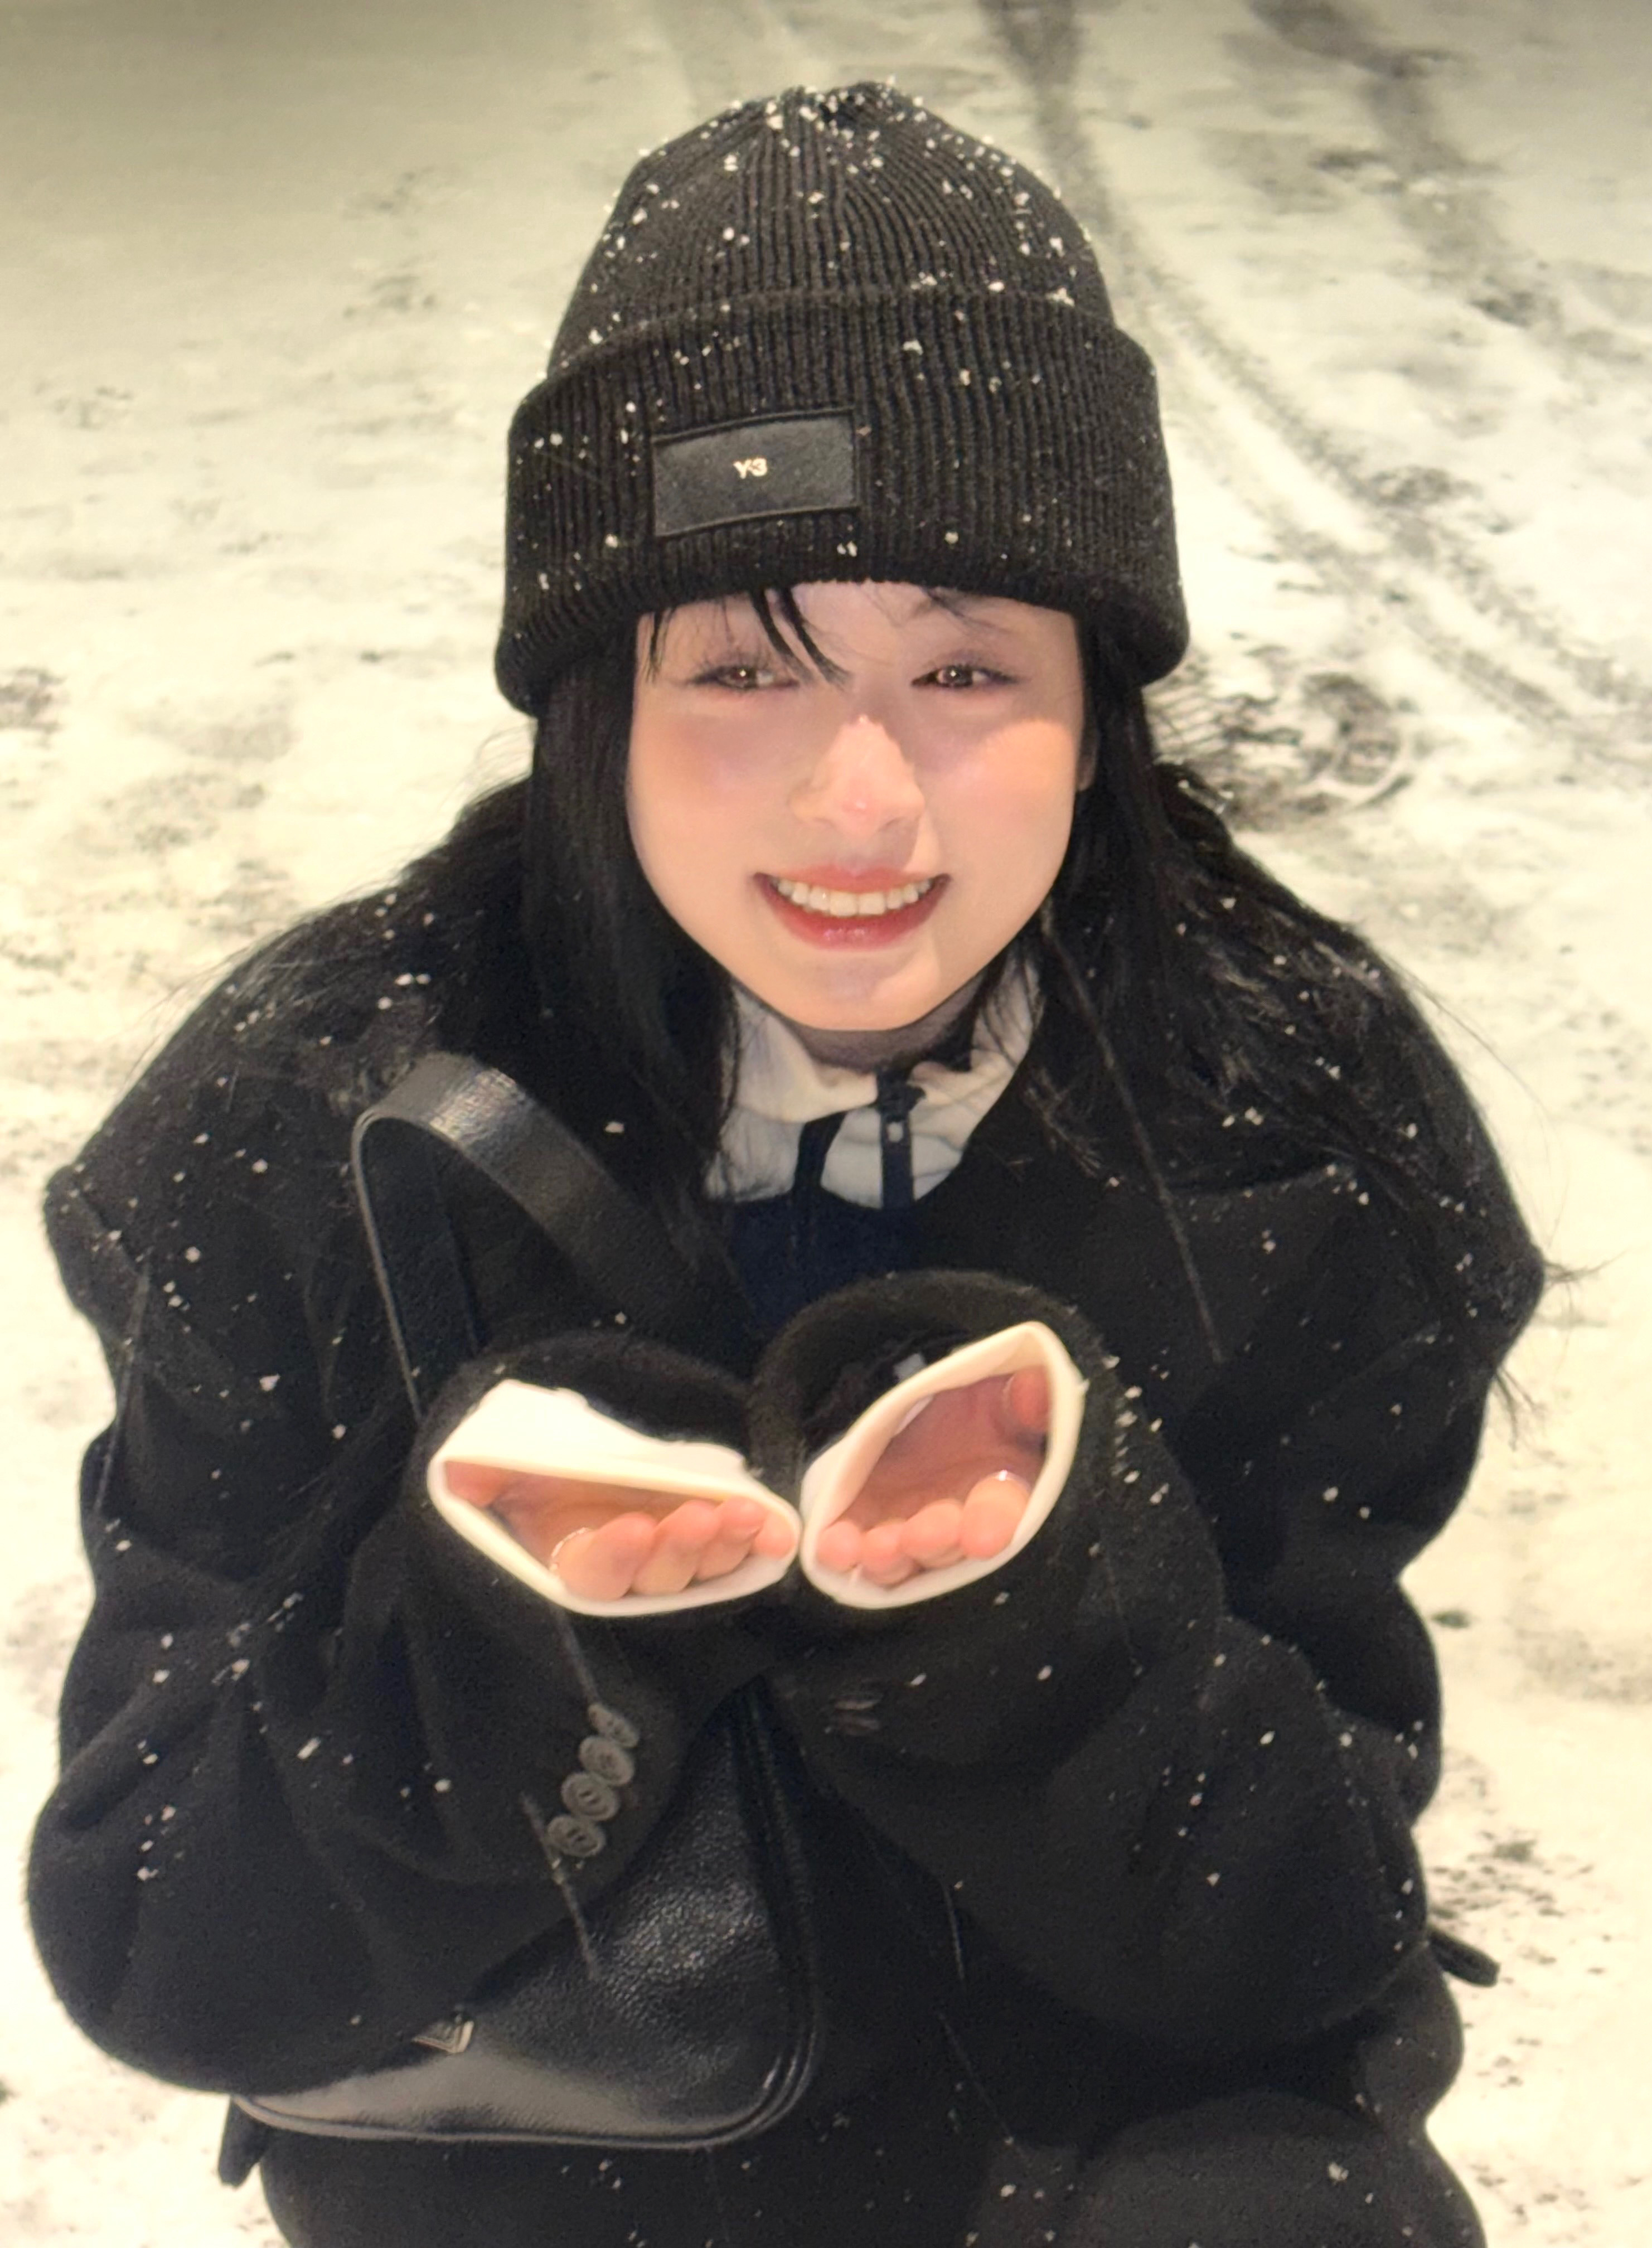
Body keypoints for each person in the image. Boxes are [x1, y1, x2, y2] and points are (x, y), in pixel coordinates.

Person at [28, 83, 1543, 2248]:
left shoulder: (1292, 1133)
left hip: (1098, 2136)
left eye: (965, 665)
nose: (860, 800)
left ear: (1098, 704)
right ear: (596, 704)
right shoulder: (310, 1120)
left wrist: (1042, 1639)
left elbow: (1302, 1941)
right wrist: (501, 1646)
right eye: (743, 665)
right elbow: (168, 1943)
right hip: (546, 2142)